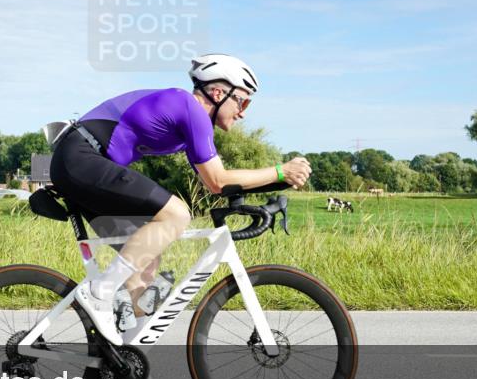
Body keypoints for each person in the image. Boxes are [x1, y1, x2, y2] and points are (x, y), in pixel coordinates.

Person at [49, 54, 312, 345]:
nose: (243, 113)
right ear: (218, 92)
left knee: (146, 263)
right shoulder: (190, 109)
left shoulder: (189, 120)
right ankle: (100, 292)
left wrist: (279, 181)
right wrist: (280, 170)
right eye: (243, 101)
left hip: (80, 164)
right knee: (177, 214)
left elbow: (218, 182)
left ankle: (127, 357)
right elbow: (218, 180)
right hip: (81, 159)